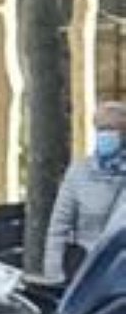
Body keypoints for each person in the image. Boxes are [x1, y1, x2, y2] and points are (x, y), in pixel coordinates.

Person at [45, 100, 126, 282]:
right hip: (87, 274)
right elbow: (59, 228)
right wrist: (54, 276)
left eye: (112, 129)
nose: (105, 135)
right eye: (101, 129)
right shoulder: (79, 173)